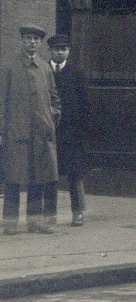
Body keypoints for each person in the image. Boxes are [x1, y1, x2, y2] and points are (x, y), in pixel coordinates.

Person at [2, 25, 59, 235]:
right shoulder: (10, 67)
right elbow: (2, 100)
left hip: (41, 133)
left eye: (36, 39)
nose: (32, 42)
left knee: (38, 178)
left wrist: (52, 119)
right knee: (13, 178)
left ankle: (34, 222)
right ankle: (10, 223)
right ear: (22, 41)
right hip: (17, 132)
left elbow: (54, 97)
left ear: (40, 42)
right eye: (28, 38)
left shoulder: (45, 68)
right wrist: (2, 130)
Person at [47, 37, 89, 225]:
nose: (60, 52)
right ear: (50, 51)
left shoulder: (76, 73)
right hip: (49, 131)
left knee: (75, 173)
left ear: (69, 51)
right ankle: (49, 214)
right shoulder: (44, 71)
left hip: (71, 132)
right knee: (48, 174)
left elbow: (85, 104)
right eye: (56, 49)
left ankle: (78, 212)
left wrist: (81, 131)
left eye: (64, 49)